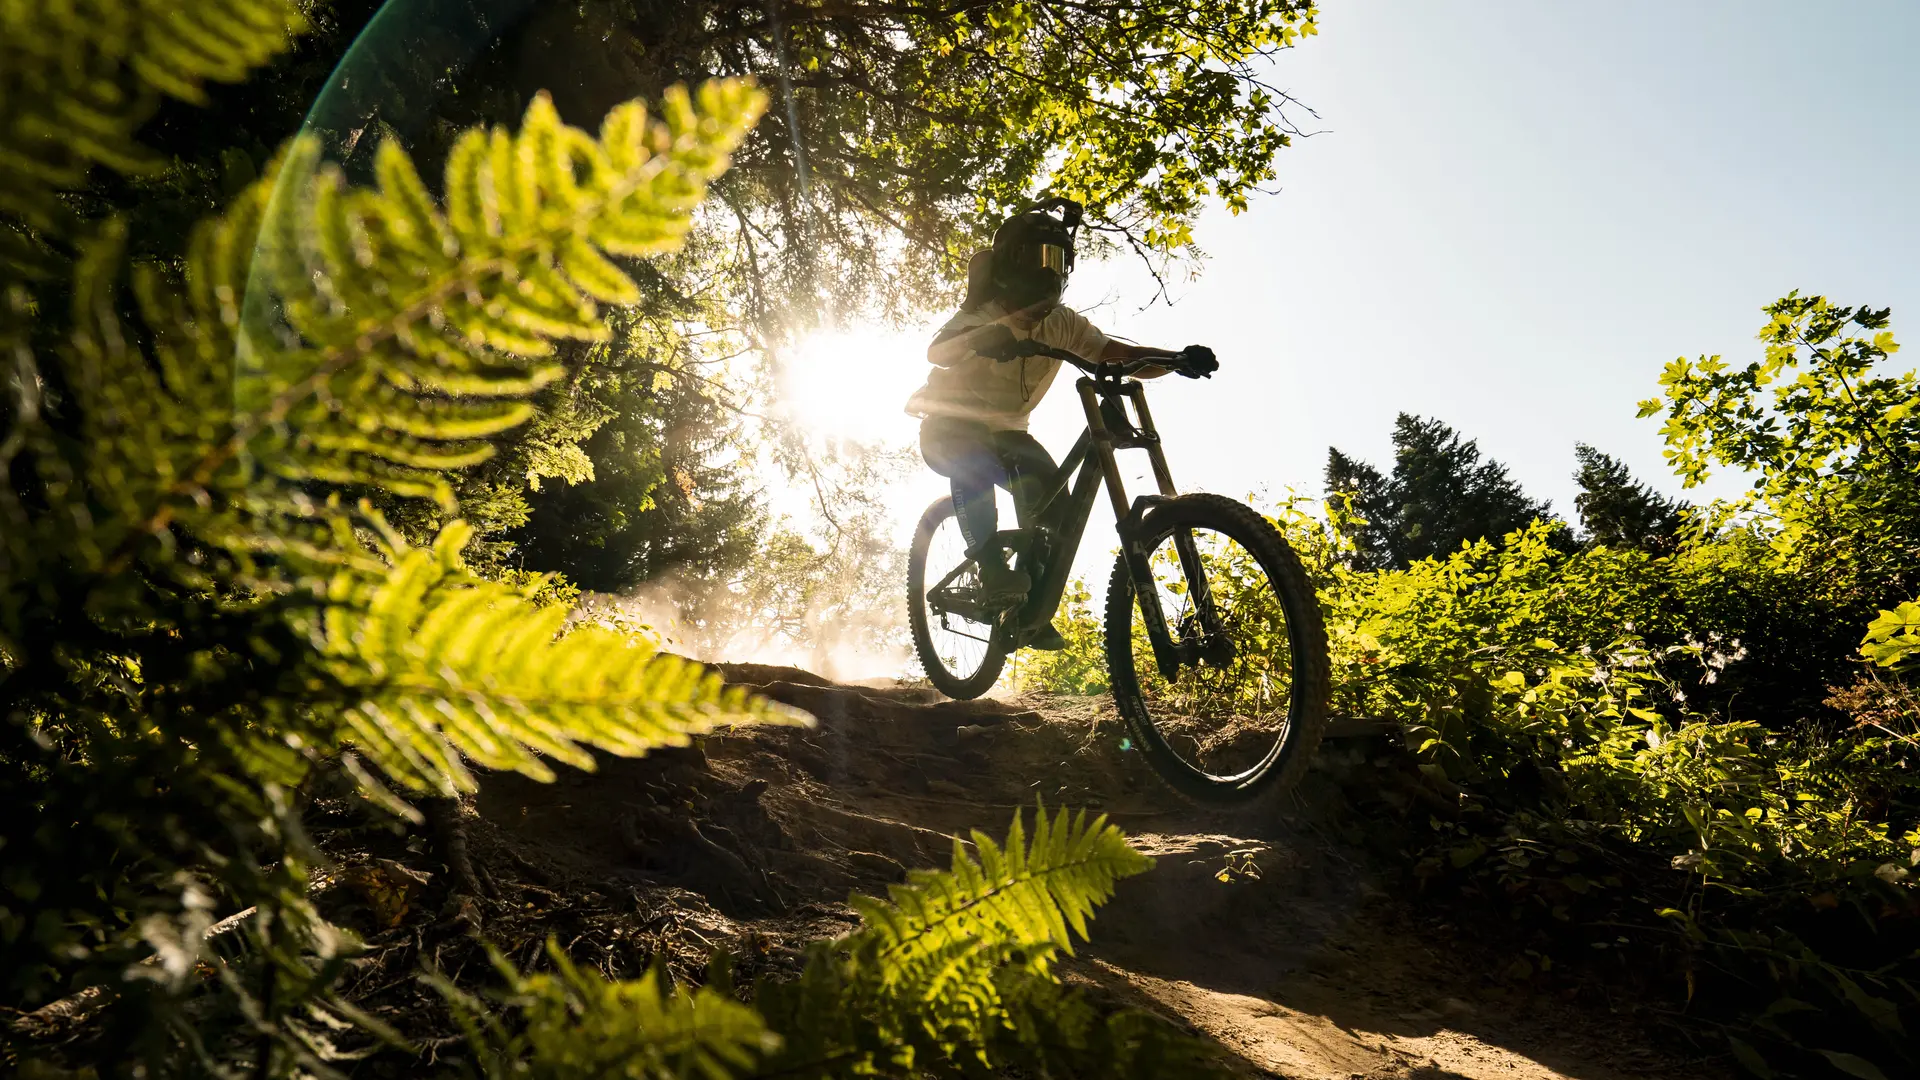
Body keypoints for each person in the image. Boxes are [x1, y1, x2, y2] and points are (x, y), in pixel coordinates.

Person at [904, 198, 1217, 650]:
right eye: (1037, 258)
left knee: (1057, 513)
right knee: (970, 461)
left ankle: (1031, 603)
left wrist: (1175, 360)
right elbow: (938, 351)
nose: (1048, 270)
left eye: (1058, 259)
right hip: (950, 428)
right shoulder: (983, 313)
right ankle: (990, 568)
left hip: (1011, 435)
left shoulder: (1062, 324)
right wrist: (984, 337)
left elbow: (1118, 355)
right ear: (1012, 262)